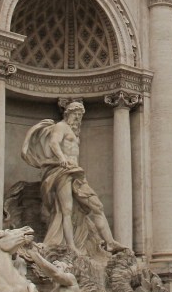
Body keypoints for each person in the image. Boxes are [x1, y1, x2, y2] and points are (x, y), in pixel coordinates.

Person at [21, 101, 123, 255]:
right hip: (63, 171)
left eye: (80, 116)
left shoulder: (73, 132)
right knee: (66, 210)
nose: (78, 118)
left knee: (97, 206)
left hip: (76, 173)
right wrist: (62, 158)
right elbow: (54, 143)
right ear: (68, 113)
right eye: (76, 114)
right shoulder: (61, 126)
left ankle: (110, 242)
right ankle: (71, 246)